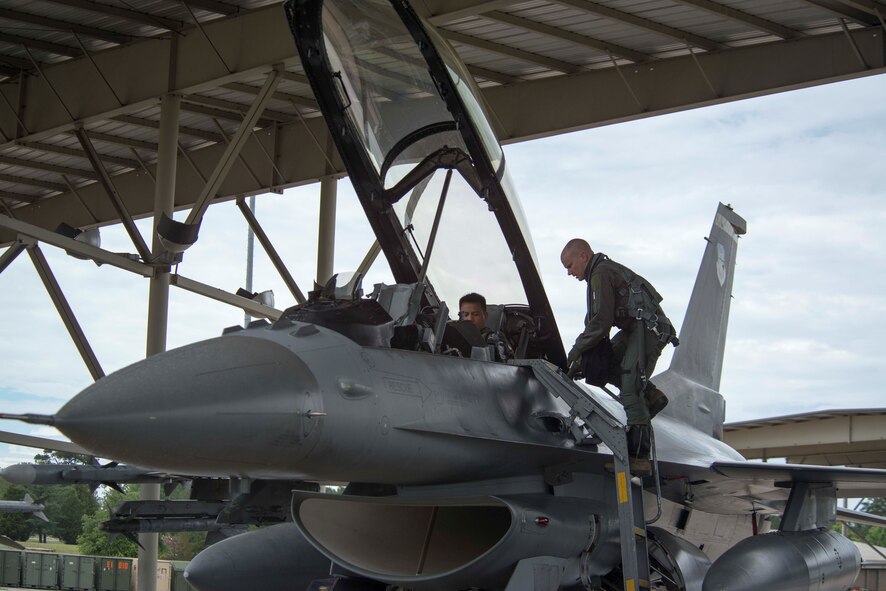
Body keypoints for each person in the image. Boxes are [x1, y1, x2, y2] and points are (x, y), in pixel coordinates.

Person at [560, 239, 677, 474]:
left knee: (629, 388)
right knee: (608, 366)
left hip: (647, 329)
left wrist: (575, 352)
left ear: (583, 256)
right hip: (635, 329)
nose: (569, 272)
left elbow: (600, 323)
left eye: (570, 265)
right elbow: (597, 321)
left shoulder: (600, 273)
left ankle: (639, 457)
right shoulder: (602, 272)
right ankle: (652, 397)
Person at [458, 292, 511, 361]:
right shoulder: (455, 337)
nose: (470, 319)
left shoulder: (493, 338)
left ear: (485, 316)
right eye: (465, 315)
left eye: (475, 314)